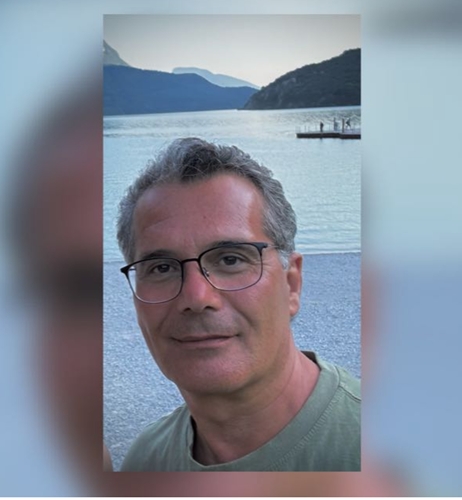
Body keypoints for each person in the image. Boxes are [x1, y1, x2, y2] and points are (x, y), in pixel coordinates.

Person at [116, 137, 360, 472]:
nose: (196, 298)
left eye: (230, 259)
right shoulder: (146, 464)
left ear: (291, 284)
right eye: (161, 268)